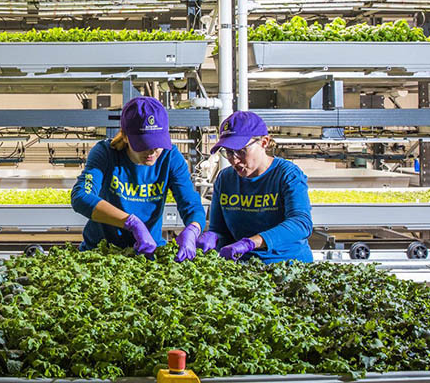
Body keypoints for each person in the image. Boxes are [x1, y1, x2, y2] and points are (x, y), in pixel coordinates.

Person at [71, 96, 211, 260]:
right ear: (125, 137)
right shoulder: (106, 153)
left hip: (148, 253)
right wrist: (130, 222)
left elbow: (191, 204)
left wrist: (193, 229)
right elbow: (81, 197)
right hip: (101, 253)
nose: (152, 152)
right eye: (143, 145)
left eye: (157, 144)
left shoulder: (170, 157)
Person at [203, 110, 313, 263]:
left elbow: (301, 224)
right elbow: (219, 230)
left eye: (241, 151)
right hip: (243, 270)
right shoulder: (225, 179)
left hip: (287, 266)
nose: (234, 161)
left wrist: (251, 242)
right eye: (228, 152)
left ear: (264, 142)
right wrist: (212, 237)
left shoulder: (287, 175)